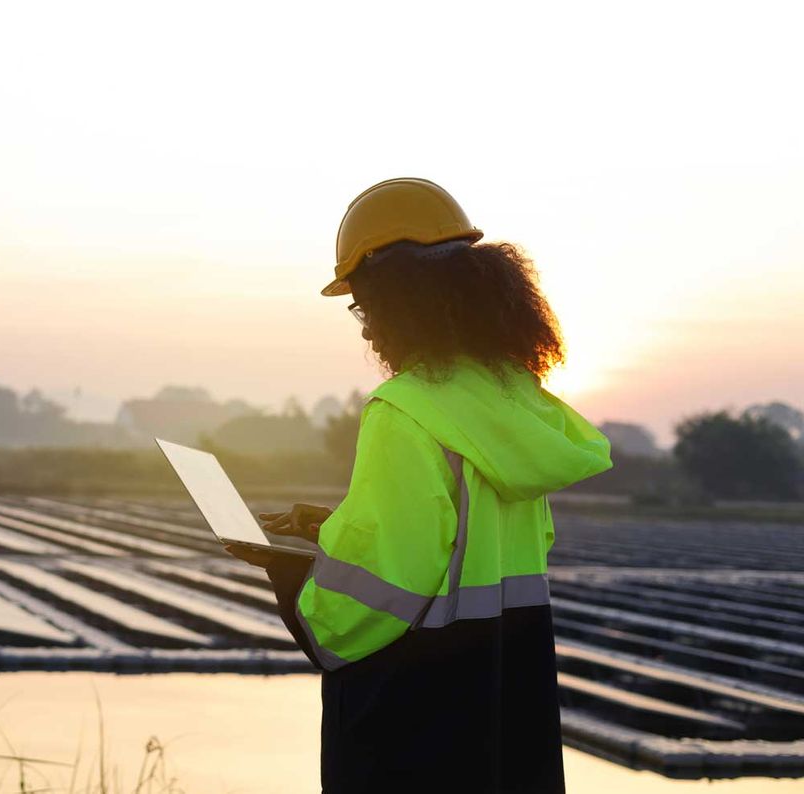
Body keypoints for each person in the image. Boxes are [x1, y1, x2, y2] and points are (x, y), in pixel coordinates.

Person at [224, 178, 613, 793]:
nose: (365, 330)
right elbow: (465, 544)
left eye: (365, 306)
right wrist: (336, 527)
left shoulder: (405, 411)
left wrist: (287, 572)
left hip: (421, 723)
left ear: (407, 298)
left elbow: (363, 607)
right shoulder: (513, 405)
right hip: (506, 703)